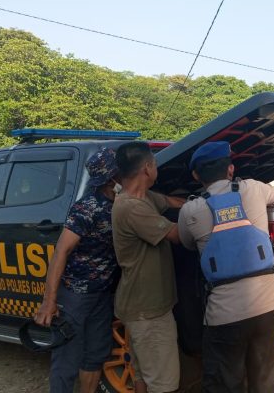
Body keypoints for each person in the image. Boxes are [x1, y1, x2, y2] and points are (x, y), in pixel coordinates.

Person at [177, 141, 274, 393]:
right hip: (268, 307)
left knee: (225, 384)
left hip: (224, 316)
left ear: (196, 175)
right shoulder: (254, 189)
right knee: (265, 381)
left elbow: (186, 243)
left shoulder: (190, 210)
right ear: (230, 169)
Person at [34, 147, 121, 393]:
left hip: (102, 296)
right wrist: (49, 301)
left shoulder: (123, 205)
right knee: (67, 360)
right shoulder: (88, 208)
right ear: (111, 178)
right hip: (75, 296)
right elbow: (61, 251)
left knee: (95, 355)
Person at [112, 141, 185, 393]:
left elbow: (168, 201)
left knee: (143, 377)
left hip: (139, 305)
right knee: (163, 384)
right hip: (148, 310)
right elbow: (176, 234)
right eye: (155, 164)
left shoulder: (142, 197)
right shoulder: (131, 207)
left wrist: (191, 203)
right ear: (147, 168)